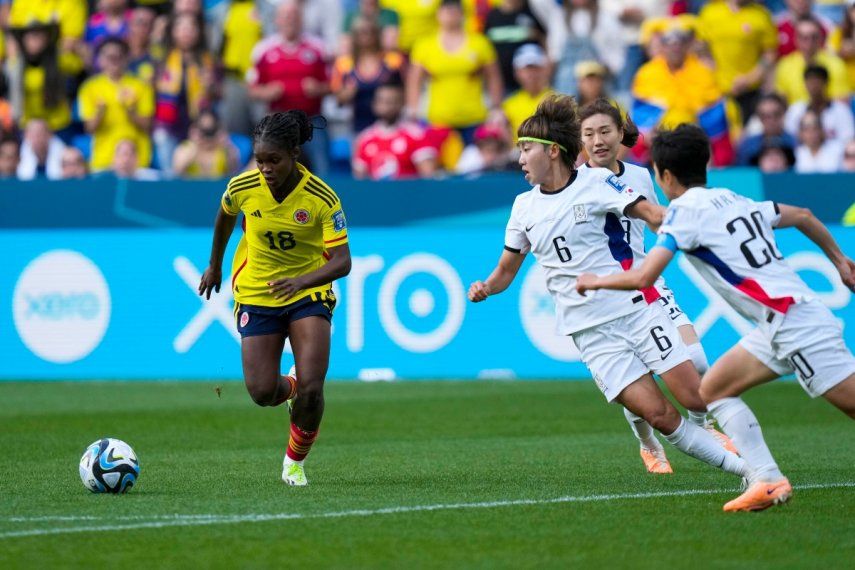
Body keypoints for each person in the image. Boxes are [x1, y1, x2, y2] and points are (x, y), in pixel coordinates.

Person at [468, 94, 748, 485]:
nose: (519, 159)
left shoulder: (597, 181)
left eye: (525, 149)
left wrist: (686, 224)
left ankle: (756, 464)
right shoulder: (522, 207)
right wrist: (486, 288)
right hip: (590, 333)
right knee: (660, 416)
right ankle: (750, 473)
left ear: (551, 152)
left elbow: (649, 212)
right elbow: (505, 270)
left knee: (695, 397)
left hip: (636, 309)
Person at [576, 123, 855, 512]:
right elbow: (804, 215)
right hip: (779, 323)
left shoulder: (682, 216)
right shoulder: (732, 198)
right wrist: (841, 262)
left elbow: (643, 277)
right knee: (714, 389)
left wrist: (595, 281)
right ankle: (768, 480)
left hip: (795, 325)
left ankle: (768, 478)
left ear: (665, 175)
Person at [577, 98, 735, 473]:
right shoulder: (575, 183)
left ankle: (703, 426)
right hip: (605, 293)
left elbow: (655, 223)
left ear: (620, 134)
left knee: (695, 358)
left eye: (605, 131)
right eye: (588, 134)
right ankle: (648, 444)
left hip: (646, 282)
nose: (598, 141)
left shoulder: (639, 177)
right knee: (639, 382)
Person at [198, 111, 352, 487]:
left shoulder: (321, 197)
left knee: (314, 386)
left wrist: (300, 281)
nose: (265, 168)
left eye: (274, 160)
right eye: (259, 159)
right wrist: (214, 265)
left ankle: (294, 463)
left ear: (294, 154)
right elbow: (224, 215)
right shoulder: (242, 186)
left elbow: (343, 262)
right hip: (257, 291)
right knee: (263, 392)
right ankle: (290, 388)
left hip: (308, 292)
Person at [248, 0, 330, 174]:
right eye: (286, 16)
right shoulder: (263, 50)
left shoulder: (318, 48)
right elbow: (252, 90)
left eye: (294, 16)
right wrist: (267, 92)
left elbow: (332, 85)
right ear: (277, 20)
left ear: (301, 19)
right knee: (268, 169)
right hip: (276, 120)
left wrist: (318, 88)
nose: (290, 21)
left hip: (310, 121)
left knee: (322, 169)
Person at [407, 0, 504, 146]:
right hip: (438, 118)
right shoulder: (424, 46)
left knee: (475, 164)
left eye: (454, 11)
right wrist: (413, 109)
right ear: (438, 15)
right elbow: (414, 80)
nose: (450, 16)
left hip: (474, 117)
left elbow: (493, 76)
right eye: (446, 11)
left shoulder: (479, 43)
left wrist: (496, 107)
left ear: (462, 14)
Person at [78, 37, 154, 172]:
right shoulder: (89, 88)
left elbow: (148, 126)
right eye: (108, 57)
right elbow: (89, 128)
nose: (113, 61)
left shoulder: (141, 86)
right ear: (100, 60)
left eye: (118, 57)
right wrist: (100, 112)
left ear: (126, 59)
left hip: (137, 161)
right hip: (103, 160)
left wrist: (130, 109)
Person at [353, 78, 438, 180]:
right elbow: (359, 180)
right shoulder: (365, 139)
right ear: (374, 105)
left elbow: (428, 177)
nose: (386, 107)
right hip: (376, 195)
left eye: (390, 102)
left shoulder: (415, 135)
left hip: (408, 195)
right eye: (381, 101)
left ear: (401, 104)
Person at [331, 15, 404, 134]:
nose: (365, 36)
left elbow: (404, 90)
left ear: (377, 33)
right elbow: (338, 98)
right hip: (359, 125)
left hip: (391, 125)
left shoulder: (392, 61)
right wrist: (347, 93)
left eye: (369, 31)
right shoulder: (344, 64)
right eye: (360, 32)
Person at [774, 16, 850, 105]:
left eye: (813, 37)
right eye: (804, 37)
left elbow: (841, 102)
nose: (809, 43)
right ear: (795, 39)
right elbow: (781, 102)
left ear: (821, 38)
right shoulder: (785, 65)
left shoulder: (836, 64)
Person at [783, 64, 855, 143]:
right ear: (805, 84)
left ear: (826, 83)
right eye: (810, 82)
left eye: (817, 81)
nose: (814, 86)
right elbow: (789, 138)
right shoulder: (795, 110)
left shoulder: (841, 110)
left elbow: (848, 140)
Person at [502, 44, 553, 142]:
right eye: (527, 68)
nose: (531, 73)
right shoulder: (508, 105)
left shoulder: (559, 101)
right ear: (517, 72)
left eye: (536, 68)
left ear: (545, 70)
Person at [172, 110, 239, 179]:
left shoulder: (223, 149)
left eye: (211, 130)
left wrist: (226, 145)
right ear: (195, 129)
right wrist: (194, 146)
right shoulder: (186, 148)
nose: (207, 135)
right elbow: (177, 172)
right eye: (203, 130)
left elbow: (234, 171)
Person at [735, 93, 797, 166]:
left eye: (776, 114)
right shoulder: (748, 146)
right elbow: (742, 173)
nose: (771, 120)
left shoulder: (795, 143)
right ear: (759, 118)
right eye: (765, 116)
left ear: (784, 113)